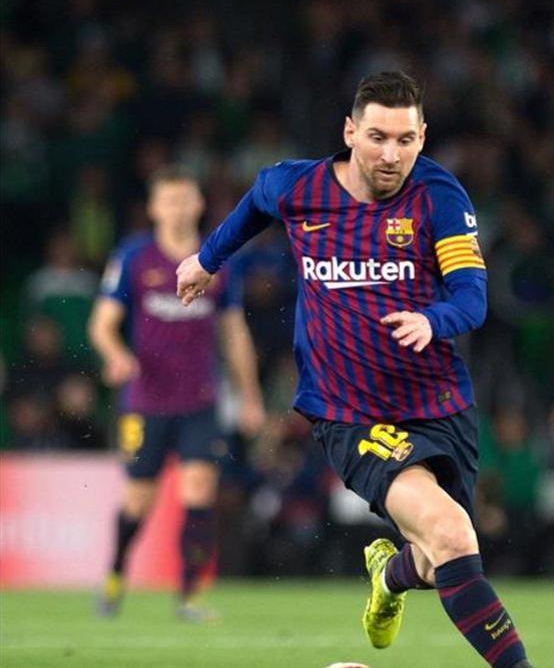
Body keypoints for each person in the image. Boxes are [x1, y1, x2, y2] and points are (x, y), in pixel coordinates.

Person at [175, 70, 532, 668]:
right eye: (377, 137)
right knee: (451, 534)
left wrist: (432, 321)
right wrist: (206, 259)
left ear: (423, 137)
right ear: (349, 132)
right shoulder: (300, 187)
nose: (391, 154)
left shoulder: (440, 198)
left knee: (435, 554)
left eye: (405, 140)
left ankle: (390, 577)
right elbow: (257, 201)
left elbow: (472, 298)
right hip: (351, 412)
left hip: (440, 405)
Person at [90, 167, 265, 621]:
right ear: (153, 208)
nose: (177, 208)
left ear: (199, 204)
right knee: (138, 500)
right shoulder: (134, 257)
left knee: (199, 492)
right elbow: (102, 324)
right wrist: (117, 355)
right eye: (168, 200)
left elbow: (234, 333)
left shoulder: (216, 260)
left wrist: (249, 396)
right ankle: (113, 575)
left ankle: (188, 596)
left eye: (184, 200)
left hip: (200, 401)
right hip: (145, 402)